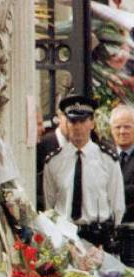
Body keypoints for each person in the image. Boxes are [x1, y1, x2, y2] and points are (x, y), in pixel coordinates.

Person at [44, 94, 124, 251]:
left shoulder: (107, 160)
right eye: (73, 121)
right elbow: (50, 206)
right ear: (66, 123)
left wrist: (110, 237)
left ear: (92, 123)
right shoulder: (53, 162)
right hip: (66, 240)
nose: (77, 127)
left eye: (82, 121)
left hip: (98, 239)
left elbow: (117, 205)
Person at [109, 103, 134, 223]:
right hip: (107, 228)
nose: (122, 131)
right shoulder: (104, 157)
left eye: (127, 127)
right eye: (118, 127)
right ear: (111, 130)